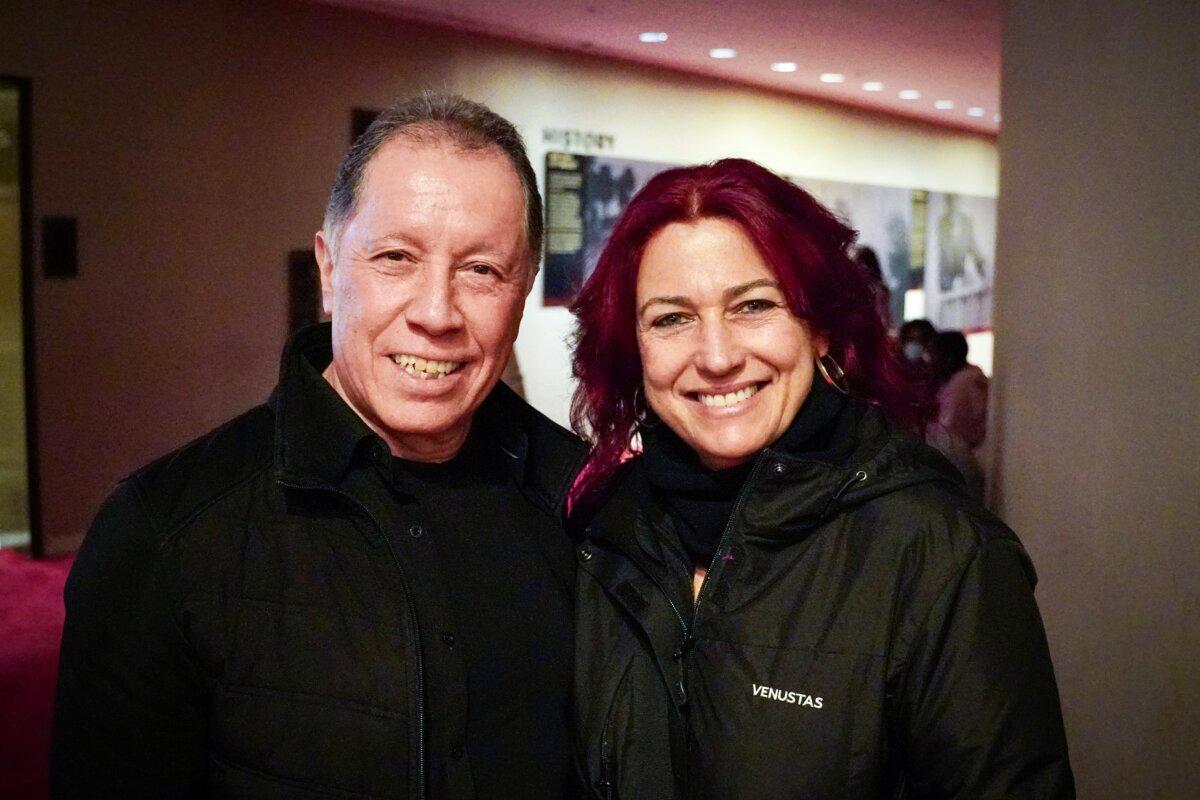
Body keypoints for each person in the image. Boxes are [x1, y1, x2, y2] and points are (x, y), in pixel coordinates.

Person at [51, 93, 585, 799]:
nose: (435, 312)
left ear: (520, 294)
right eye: (396, 257)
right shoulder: (165, 532)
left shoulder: (584, 501)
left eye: (482, 270)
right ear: (330, 273)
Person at [568, 158, 1074, 799]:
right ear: (631, 345)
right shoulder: (606, 530)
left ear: (822, 329)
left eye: (754, 306)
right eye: (672, 318)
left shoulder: (942, 557)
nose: (718, 356)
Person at [926, 330, 990, 499]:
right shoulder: (969, 379)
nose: (930, 361)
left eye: (933, 355)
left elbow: (947, 432)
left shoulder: (961, 387)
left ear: (947, 357)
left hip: (960, 464)